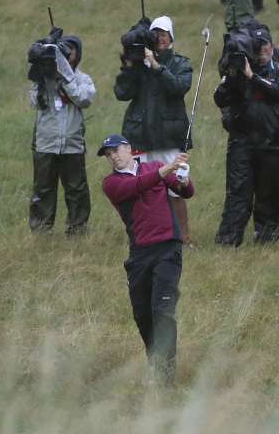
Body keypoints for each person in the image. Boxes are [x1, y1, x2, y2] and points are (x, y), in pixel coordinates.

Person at [98, 133, 195, 385]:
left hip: (168, 250)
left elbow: (187, 192)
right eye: (109, 156)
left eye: (116, 151)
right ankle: (155, 360)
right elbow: (137, 186)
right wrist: (168, 169)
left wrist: (182, 178)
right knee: (142, 314)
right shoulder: (111, 184)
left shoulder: (154, 167)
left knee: (162, 311)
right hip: (139, 254)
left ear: (129, 148)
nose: (113, 157)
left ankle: (165, 374)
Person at [213, 28, 279, 246]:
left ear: (272, 46)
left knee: (267, 193)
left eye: (266, 43)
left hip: (272, 143)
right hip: (242, 142)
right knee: (238, 193)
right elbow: (220, 99)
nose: (262, 48)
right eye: (257, 44)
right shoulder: (239, 74)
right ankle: (228, 240)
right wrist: (232, 78)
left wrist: (253, 77)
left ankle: (265, 237)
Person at [114, 16, 194, 246]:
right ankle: (139, 236)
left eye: (164, 33)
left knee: (176, 187)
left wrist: (156, 65)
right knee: (136, 189)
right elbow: (122, 93)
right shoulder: (138, 62)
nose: (160, 37)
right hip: (140, 135)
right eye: (155, 33)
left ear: (171, 37)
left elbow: (178, 88)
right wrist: (129, 65)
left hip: (169, 137)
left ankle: (183, 238)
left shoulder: (180, 63)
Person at [28, 34, 96, 237]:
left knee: (76, 189)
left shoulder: (82, 79)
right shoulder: (44, 77)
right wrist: (41, 78)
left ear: (78, 53)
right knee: (43, 189)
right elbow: (34, 103)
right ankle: (41, 229)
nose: (69, 53)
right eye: (65, 49)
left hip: (72, 143)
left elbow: (84, 99)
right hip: (45, 142)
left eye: (72, 49)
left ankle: (77, 229)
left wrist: (66, 78)